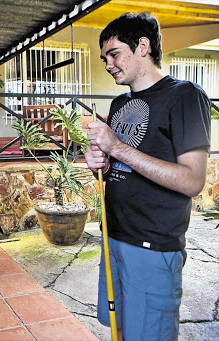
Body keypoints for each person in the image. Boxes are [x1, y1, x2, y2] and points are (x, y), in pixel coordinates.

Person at [84, 12, 211, 341]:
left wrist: (116, 147)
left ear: (142, 46)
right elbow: (120, 166)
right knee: (121, 329)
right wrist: (101, 162)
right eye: (104, 58)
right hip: (114, 236)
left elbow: (192, 180)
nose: (108, 64)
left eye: (114, 54)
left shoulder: (184, 95)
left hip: (152, 246)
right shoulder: (119, 102)